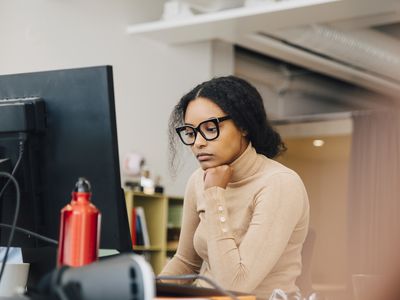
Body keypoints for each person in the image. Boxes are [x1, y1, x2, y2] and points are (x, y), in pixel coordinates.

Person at [161, 76, 310, 299]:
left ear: (243, 125)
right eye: (191, 133)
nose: (198, 143)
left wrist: (214, 195)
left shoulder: (279, 183)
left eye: (210, 128)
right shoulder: (198, 180)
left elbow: (235, 285)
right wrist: (141, 289)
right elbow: (186, 263)